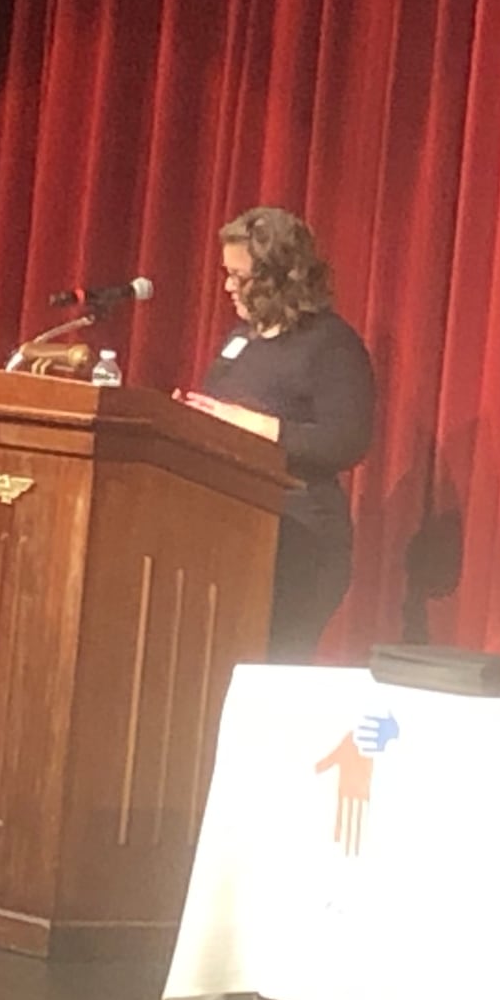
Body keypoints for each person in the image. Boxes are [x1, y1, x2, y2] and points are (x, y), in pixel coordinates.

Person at [181, 207, 375, 662]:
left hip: (301, 541)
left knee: (271, 665)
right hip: (231, 532)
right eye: (226, 274)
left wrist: (257, 426)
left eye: (239, 276)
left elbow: (347, 440)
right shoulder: (241, 339)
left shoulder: (331, 344)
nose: (227, 286)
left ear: (278, 276)